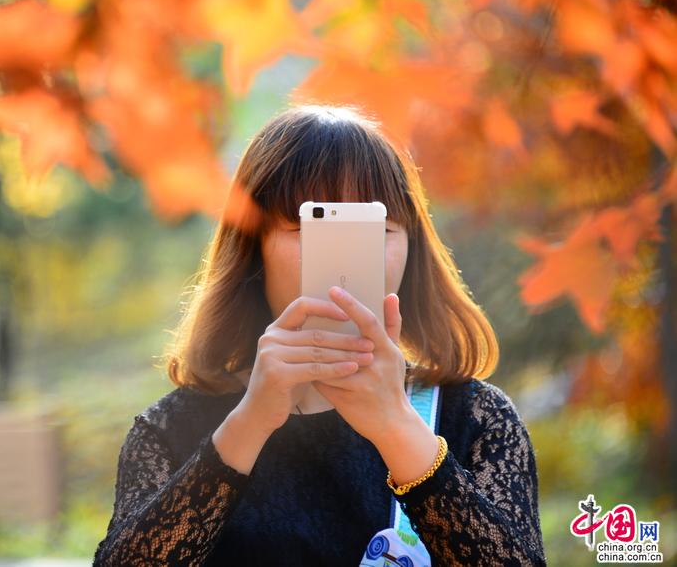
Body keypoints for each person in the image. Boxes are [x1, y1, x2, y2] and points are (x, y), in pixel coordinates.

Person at [92, 105, 546, 566]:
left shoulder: (474, 419)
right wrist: (249, 424)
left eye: (375, 228)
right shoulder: (173, 430)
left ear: (412, 248)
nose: (346, 258)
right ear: (253, 252)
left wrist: (396, 428)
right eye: (312, 226)